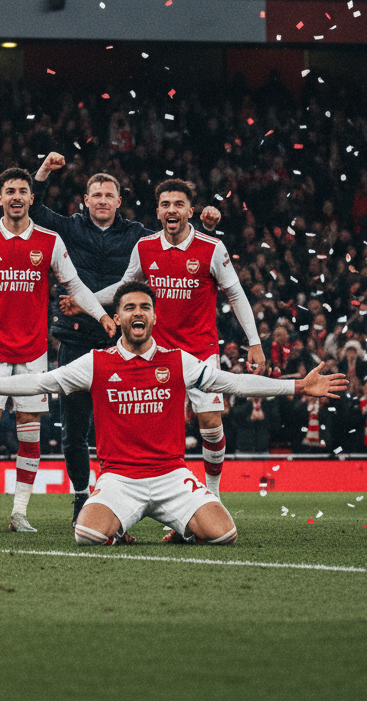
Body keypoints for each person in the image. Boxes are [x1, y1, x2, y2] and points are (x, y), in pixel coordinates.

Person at [0, 281, 346, 546]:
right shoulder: (96, 363)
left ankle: (181, 528)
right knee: (86, 534)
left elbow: (232, 383)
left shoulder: (177, 360)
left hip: (171, 475)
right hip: (120, 479)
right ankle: (120, 529)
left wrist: (297, 386)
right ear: (117, 318)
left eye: (145, 307)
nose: (137, 313)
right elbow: (41, 382)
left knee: (225, 534)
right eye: (129, 307)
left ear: (153, 316)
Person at [30, 151, 220, 524]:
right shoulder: (69, 228)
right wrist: (44, 171)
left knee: (124, 428)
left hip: (121, 345)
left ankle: (120, 496)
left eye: (109, 195)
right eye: (96, 195)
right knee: (74, 429)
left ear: (119, 201)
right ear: (86, 200)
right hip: (76, 339)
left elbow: (176, 236)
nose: (102, 201)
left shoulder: (137, 235)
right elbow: (34, 210)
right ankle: (81, 495)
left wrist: (207, 226)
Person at [0, 167, 117, 534]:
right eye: (10, 191)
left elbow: (75, 285)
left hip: (33, 351)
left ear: (32, 198)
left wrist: (101, 315)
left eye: (22, 191)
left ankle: (19, 512)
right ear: (0, 198)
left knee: (29, 433)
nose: (16, 196)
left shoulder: (49, 241)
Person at [91, 179, 265, 508]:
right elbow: (124, 288)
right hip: (158, 355)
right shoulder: (145, 247)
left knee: (211, 424)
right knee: (153, 432)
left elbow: (236, 294)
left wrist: (253, 341)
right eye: (166, 204)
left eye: (179, 204)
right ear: (158, 212)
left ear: (190, 211)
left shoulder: (212, 248)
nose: (172, 210)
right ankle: (148, 498)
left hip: (200, 352)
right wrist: (86, 300)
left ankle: (212, 495)